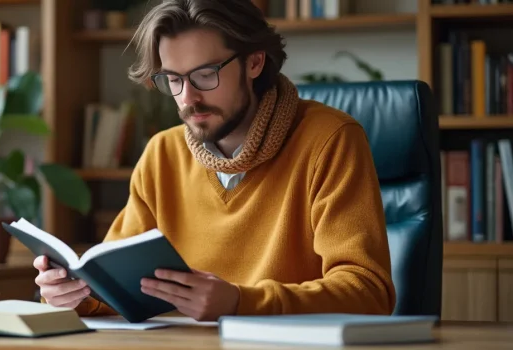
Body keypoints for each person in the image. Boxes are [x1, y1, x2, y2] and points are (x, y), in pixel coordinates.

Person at [34, 0, 396, 321]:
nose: (187, 98)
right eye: (173, 80)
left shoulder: (330, 140)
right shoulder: (162, 153)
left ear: (254, 62)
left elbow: (369, 292)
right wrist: (77, 296)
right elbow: (120, 287)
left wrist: (241, 302)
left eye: (205, 75)